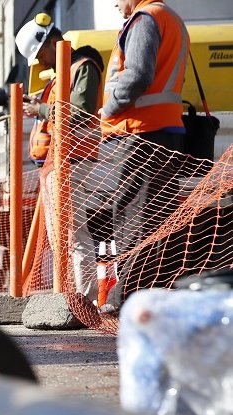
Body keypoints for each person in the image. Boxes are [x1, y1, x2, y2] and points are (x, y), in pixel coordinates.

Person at [97, 0, 189, 310]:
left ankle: (129, 295)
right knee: (157, 217)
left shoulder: (146, 19)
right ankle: (153, 293)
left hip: (141, 133)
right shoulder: (169, 18)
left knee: (132, 217)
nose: (114, 3)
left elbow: (137, 75)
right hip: (162, 131)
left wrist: (107, 110)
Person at [16, 13, 105, 301]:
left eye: (41, 55)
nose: (41, 63)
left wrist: (40, 111)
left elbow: (80, 114)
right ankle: (73, 297)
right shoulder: (62, 76)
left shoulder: (82, 67)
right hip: (60, 163)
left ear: (53, 41)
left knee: (73, 236)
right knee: (61, 239)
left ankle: (85, 300)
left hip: (74, 162)